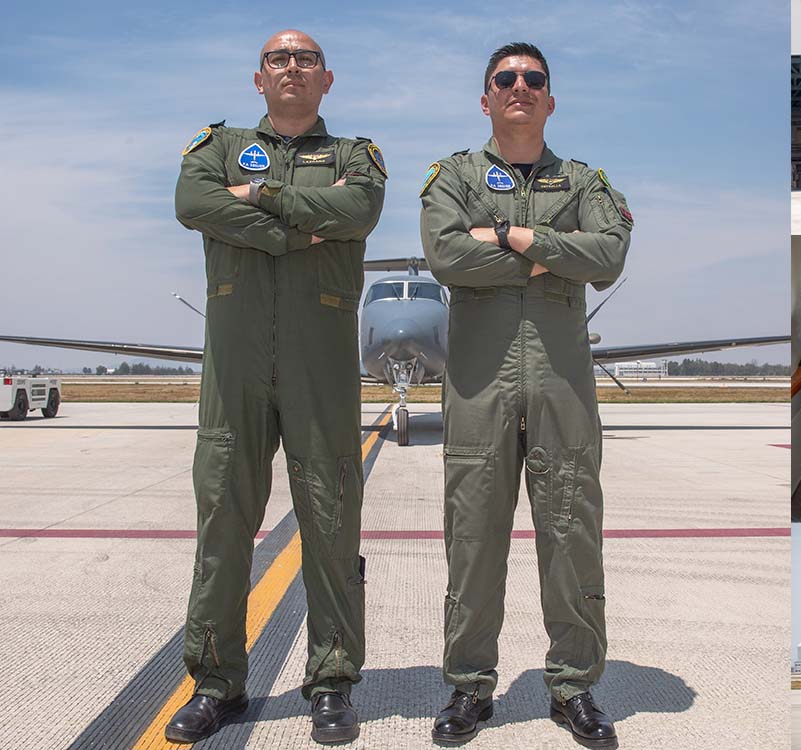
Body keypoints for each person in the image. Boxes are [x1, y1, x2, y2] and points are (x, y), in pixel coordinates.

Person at [168, 30, 386, 745]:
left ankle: (331, 682)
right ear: (258, 78)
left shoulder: (356, 157)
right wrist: (295, 230)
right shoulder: (217, 146)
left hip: (319, 365)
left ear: (328, 79)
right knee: (223, 523)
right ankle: (216, 681)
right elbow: (193, 201)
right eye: (278, 59)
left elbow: (356, 212)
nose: (293, 68)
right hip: (234, 364)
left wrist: (257, 201)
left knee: (330, 522)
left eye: (306, 60)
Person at [420, 42, 631, 748]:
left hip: (561, 386)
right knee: (473, 539)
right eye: (505, 79)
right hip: (480, 387)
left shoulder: (585, 180)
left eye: (533, 79)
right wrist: (548, 253)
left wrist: (508, 235)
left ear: (550, 98)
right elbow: (447, 255)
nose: (520, 87)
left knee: (572, 536)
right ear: (486, 98)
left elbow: (608, 257)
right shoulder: (453, 176)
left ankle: (573, 688)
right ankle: (469, 687)